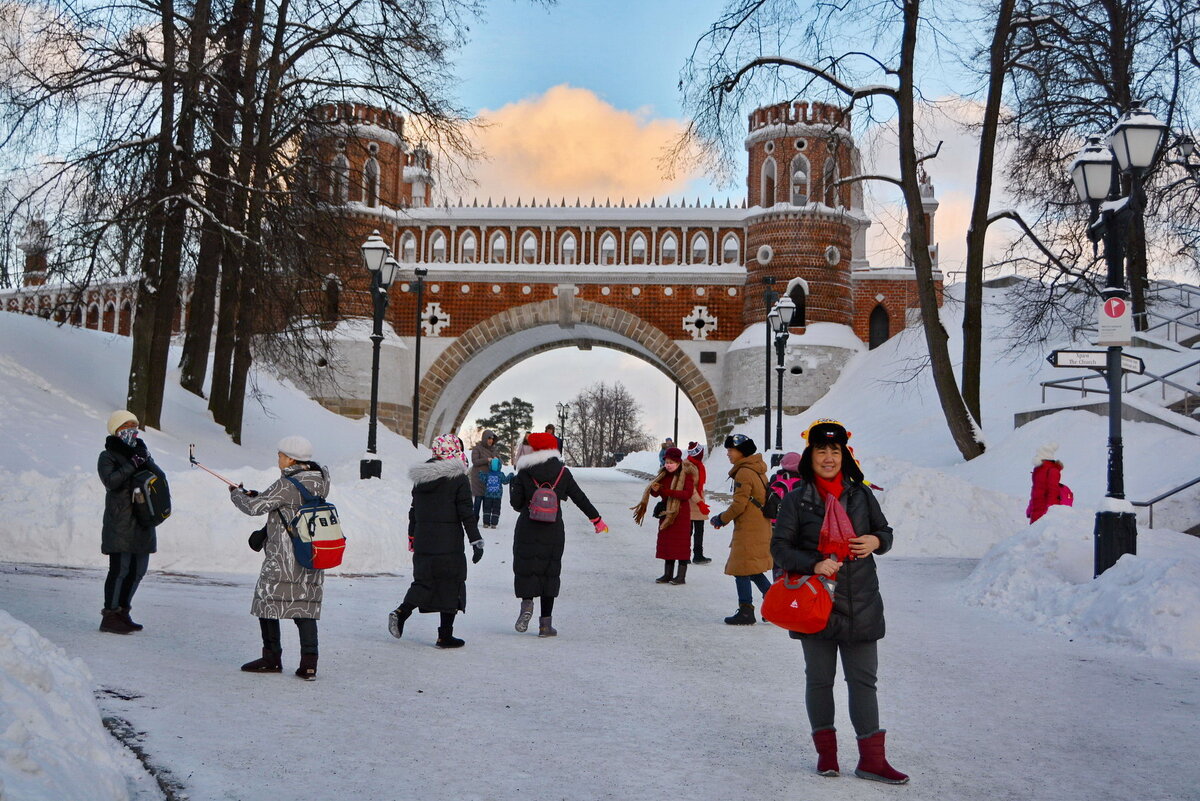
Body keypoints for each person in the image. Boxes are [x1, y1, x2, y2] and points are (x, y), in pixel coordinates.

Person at [771, 419, 907, 784]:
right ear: (810, 456)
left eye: (835, 451)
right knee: (819, 681)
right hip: (817, 603)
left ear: (844, 455)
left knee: (864, 681)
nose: (829, 457)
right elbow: (779, 549)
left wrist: (877, 542)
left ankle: (871, 761)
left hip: (861, 601)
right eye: (821, 450)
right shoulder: (797, 499)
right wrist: (813, 562)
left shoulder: (861, 494)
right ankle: (827, 756)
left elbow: (885, 531)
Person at [230, 436, 329, 680]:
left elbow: (254, 508)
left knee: (267, 600)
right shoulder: (320, 481)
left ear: (291, 458)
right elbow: (283, 503)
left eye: (281, 455)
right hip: (311, 553)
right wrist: (260, 494)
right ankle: (309, 664)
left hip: (283, 557)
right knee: (305, 606)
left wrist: (236, 494)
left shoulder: (285, 484)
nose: (279, 459)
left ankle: (271, 657)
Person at [389, 434, 485, 649]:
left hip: (424, 540)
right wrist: (475, 540)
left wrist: (412, 536)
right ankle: (444, 636)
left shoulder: (421, 478)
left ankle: (401, 612)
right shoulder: (458, 478)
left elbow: (414, 511)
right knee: (452, 584)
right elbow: (466, 513)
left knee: (424, 581)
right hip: (448, 543)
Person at [509, 432, 608, 637]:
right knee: (549, 573)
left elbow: (516, 504)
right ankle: (545, 625)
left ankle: (527, 604)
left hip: (528, 527)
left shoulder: (524, 472)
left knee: (527, 568)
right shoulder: (563, 472)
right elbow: (580, 497)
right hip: (552, 529)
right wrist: (596, 519)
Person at [97, 410, 165, 634]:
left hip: (143, 519)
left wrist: (145, 460)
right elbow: (111, 481)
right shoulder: (107, 456)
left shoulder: (141, 451)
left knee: (138, 570)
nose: (132, 431)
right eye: (127, 426)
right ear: (116, 429)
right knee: (120, 570)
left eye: (134, 426)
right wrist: (132, 464)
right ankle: (110, 615)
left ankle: (124, 611)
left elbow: (159, 478)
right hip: (121, 522)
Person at [709, 434, 773, 625]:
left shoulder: (744, 472)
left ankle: (746, 611)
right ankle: (774, 604)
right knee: (752, 569)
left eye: (731, 450)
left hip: (749, 528)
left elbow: (739, 505)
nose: (728, 454)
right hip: (759, 525)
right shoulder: (758, 469)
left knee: (741, 568)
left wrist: (721, 518)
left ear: (741, 452)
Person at [631, 446, 697, 585]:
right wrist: (655, 490)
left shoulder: (686, 475)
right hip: (666, 513)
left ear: (678, 463)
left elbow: (687, 494)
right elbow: (659, 493)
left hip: (680, 514)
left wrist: (666, 492)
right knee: (668, 543)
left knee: (681, 545)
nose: (668, 465)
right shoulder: (663, 475)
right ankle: (668, 574)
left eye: (671, 462)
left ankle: (681, 576)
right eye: (666, 462)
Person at [1027, 443, 1068, 523]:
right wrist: (1030, 508)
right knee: (1035, 533)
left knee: (1042, 534)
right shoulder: (1038, 470)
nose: (1036, 456)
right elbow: (1035, 491)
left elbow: (1053, 492)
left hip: (1044, 512)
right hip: (1036, 511)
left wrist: (1052, 511)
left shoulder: (1052, 471)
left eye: (1038, 454)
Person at [686, 442, 712, 564]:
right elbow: (690, 488)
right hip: (689, 503)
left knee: (699, 530)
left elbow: (699, 486)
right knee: (688, 531)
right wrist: (700, 503)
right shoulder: (688, 466)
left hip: (697, 503)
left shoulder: (698, 465)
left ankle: (698, 555)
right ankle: (684, 556)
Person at [469, 430, 502, 523]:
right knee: (478, 499)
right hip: (478, 477)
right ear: (484, 438)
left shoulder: (494, 450)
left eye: (492, 439)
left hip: (490, 479)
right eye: (489, 438)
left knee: (487, 499)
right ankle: (474, 520)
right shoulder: (477, 448)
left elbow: (500, 462)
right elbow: (475, 461)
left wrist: (497, 460)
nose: (491, 441)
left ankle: (485, 520)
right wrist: (487, 459)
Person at [478, 456, 514, 529]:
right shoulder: (500, 474)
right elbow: (505, 481)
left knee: (487, 508)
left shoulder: (488, 474)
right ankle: (494, 523)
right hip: (497, 496)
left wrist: (480, 473)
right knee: (496, 509)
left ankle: (486, 523)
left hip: (488, 495)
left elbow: (482, 479)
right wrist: (510, 476)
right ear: (499, 466)